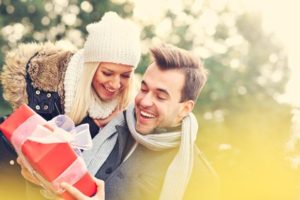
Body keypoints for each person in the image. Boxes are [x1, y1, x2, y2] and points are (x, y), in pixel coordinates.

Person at [0, 11, 141, 199]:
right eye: (107, 73)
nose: (115, 84)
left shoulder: (130, 112)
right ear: (91, 68)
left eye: (125, 75)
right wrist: (94, 125)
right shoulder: (46, 94)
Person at [67, 43, 219, 200]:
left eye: (160, 97)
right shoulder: (107, 125)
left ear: (185, 108)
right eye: (144, 89)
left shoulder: (200, 178)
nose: (144, 101)